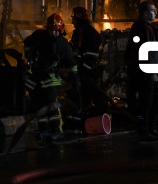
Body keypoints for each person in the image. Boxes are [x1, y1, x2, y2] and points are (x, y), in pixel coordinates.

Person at [23, 13, 79, 141]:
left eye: (55, 31)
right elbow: (27, 43)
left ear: (60, 30)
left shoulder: (63, 44)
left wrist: (74, 78)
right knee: (38, 104)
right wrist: (29, 54)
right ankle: (44, 130)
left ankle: (56, 130)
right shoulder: (39, 36)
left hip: (51, 78)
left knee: (52, 105)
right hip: (37, 76)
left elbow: (71, 64)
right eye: (51, 30)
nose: (53, 33)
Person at [124, 1, 158, 143]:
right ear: (145, 13)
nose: (156, 12)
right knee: (147, 101)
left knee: (155, 97)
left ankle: (148, 128)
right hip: (146, 71)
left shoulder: (142, 27)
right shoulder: (144, 28)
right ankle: (145, 132)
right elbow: (145, 50)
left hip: (143, 70)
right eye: (153, 10)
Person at [69, 7, 106, 116]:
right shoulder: (79, 32)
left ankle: (100, 116)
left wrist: (84, 71)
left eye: (74, 19)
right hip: (83, 71)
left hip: (90, 73)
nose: (72, 21)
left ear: (79, 19)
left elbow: (92, 55)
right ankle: (85, 116)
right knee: (82, 96)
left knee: (94, 95)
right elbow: (76, 50)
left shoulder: (89, 33)